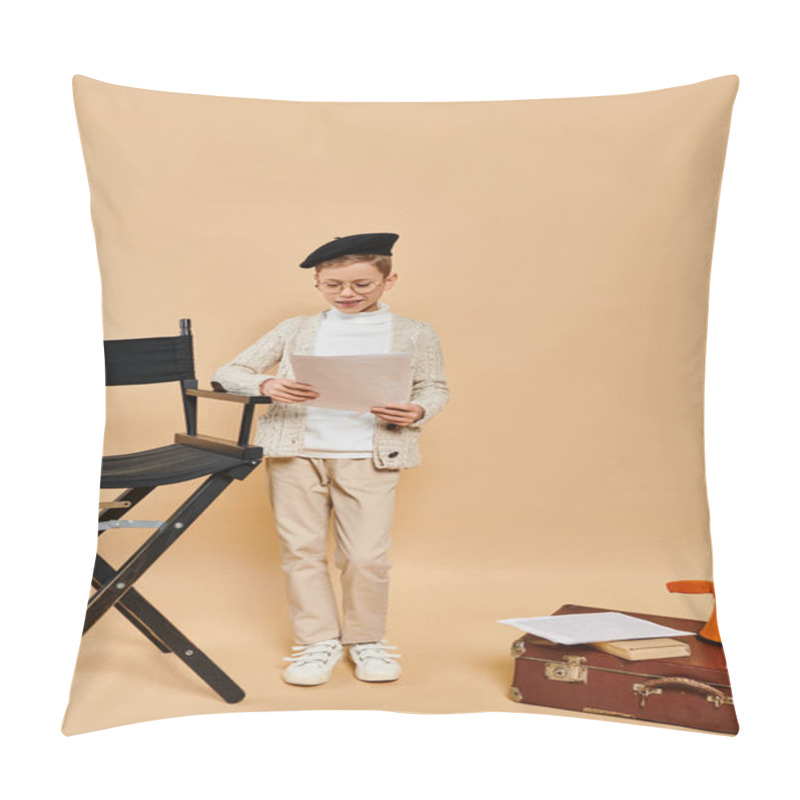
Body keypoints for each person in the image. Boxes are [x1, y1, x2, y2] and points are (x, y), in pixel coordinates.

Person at [211, 232, 449, 686]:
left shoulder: (415, 333)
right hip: (296, 454)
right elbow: (228, 372)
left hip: (371, 453)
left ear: (389, 279)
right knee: (300, 550)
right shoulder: (295, 329)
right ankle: (316, 642)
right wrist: (266, 385)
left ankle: (365, 641)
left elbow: (434, 387)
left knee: (366, 557)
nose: (348, 294)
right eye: (334, 284)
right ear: (318, 282)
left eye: (362, 284)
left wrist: (418, 409)